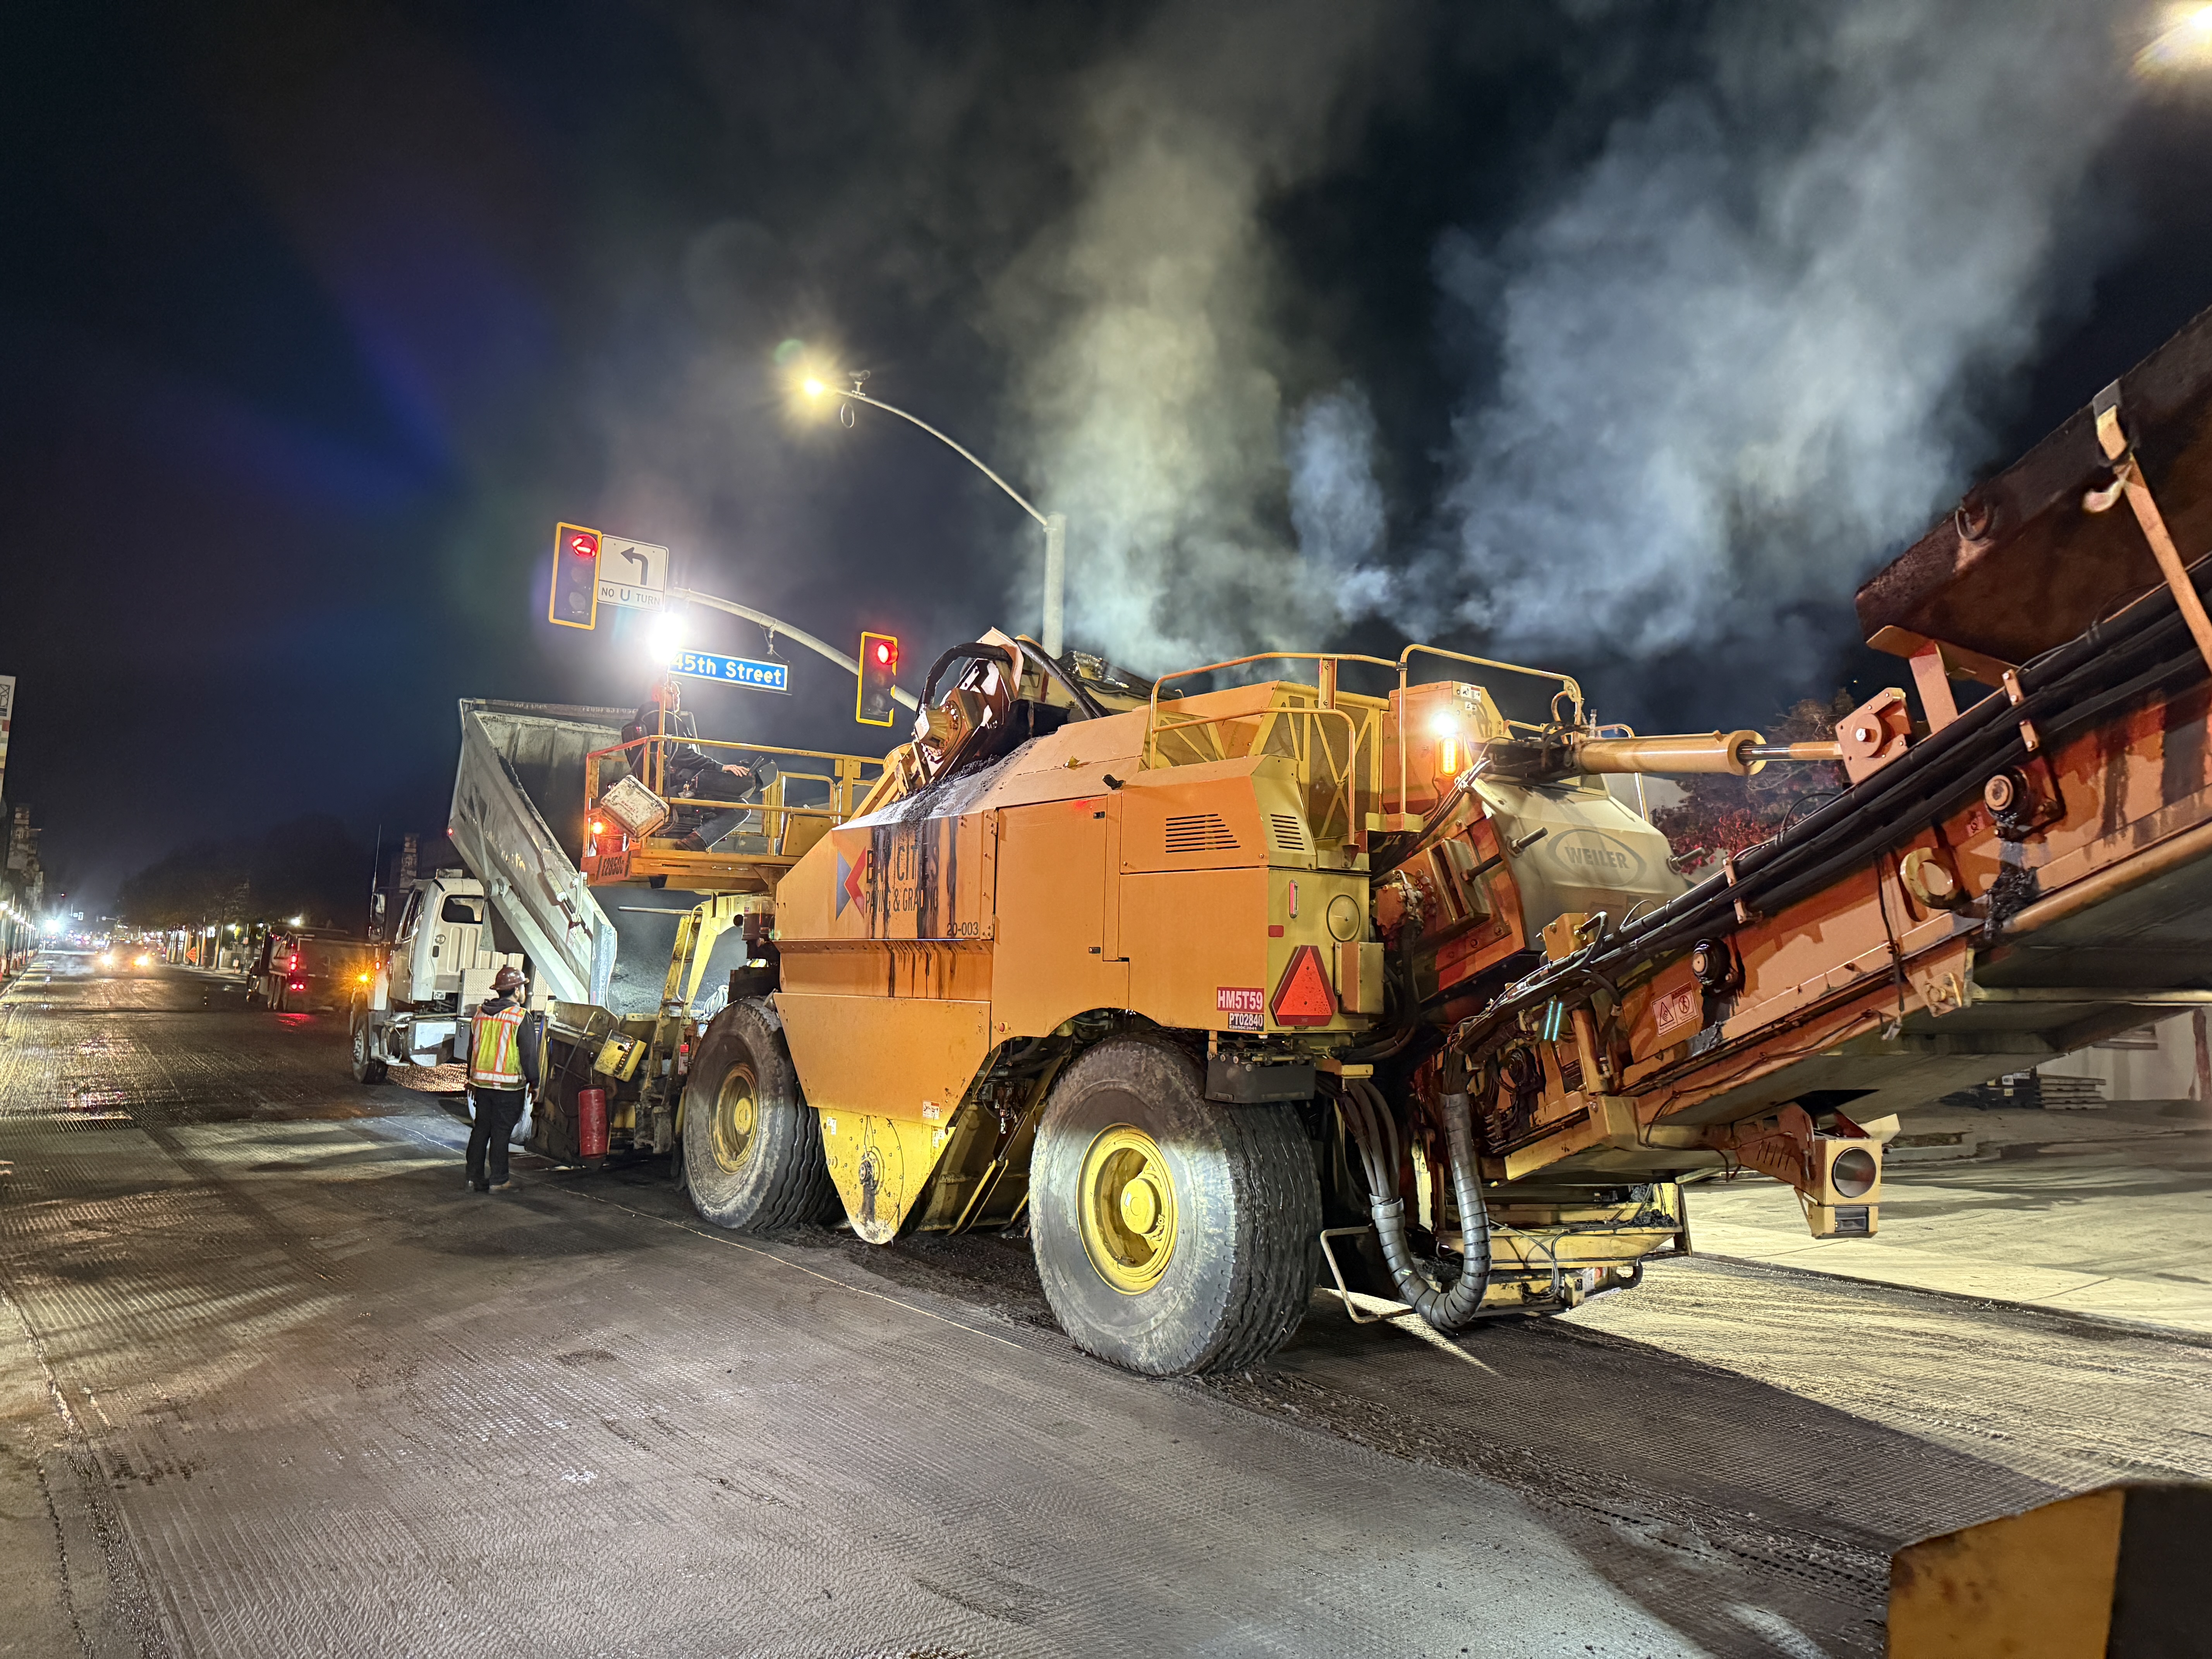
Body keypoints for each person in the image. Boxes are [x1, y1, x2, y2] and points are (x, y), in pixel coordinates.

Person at [621, 679, 761, 848]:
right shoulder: (665, 718)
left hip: (656, 786)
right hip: (676, 786)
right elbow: (681, 755)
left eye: (678, 694)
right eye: (671, 693)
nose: (677, 698)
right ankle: (695, 843)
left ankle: (693, 834)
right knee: (740, 808)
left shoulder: (645, 719)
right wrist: (721, 767)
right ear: (656, 696)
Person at [465, 964, 539, 1194]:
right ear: (516, 991)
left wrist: (472, 1079)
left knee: (481, 1131)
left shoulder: (479, 1014)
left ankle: (473, 1179)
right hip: (508, 1088)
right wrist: (534, 1083)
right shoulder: (519, 1017)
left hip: (482, 1085)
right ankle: (499, 1180)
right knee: (501, 1133)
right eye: (523, 988)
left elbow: (472, 1050)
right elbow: (528, 1054)